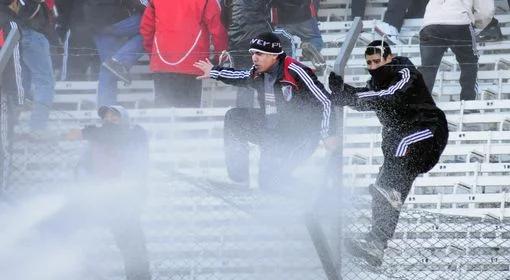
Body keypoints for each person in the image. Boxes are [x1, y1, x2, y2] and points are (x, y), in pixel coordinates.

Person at [328, 40, 448, 266]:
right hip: (402, 143)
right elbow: (367, 98)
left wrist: (346, 95)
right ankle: (376, 245)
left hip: (427, 130)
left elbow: (389, 96)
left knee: (396, 156)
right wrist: (343, 91)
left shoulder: (405, 71)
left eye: (377, 61)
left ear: (389, 59)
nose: (373, 66)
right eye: (369, 63)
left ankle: (394, 191)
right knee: (382, 191)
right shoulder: (374, 84)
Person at [194, 32, 336, 190]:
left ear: (273, 55)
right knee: (234, 118)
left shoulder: (296, 71)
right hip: (272, 131)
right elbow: (239, 76)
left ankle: (310, 192)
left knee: (271, 184)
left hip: (298, 136)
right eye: (253, 53)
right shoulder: (257, 72)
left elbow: (325, 101)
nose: (254, 58)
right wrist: (214, 71)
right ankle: (239, 179)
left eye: (259, 53)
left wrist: (328, 133)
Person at [65, 105, 150, 280]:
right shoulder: (96, 141)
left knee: (134, 249)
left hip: (125, 203)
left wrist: (85, 133)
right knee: (79, 243)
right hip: (97, 201)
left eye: (114, 118)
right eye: (106, 119)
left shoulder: (135, 133)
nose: (109, 122)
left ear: (124, 120)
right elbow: (82, 168)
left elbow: (117, 136)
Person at [140, 0, 227, 108]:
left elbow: (146, 29)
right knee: (189, 115)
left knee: (162, 113)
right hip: (192, 63)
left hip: (162, 62)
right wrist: (220, 58)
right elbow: (217, 30)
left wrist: (153, 55)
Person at [419, 0, 494, 101]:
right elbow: (486, 11)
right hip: (460, 21)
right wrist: (479, 25)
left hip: (430, 22)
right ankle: (468, 103)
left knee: (428, 68)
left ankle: (419, 106)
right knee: (469, 63)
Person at [83, 0, 146, 107]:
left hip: (95, 22)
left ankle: (107, 112)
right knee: (152, 25)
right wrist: (148, 8)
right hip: (114, 18)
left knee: (108, 68)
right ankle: (120, 60)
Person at [18, 0, 58, 137]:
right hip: (31, 33)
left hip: (17, 35)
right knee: (45, 82)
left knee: (22, 82)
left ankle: (11, 123)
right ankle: (38, 128)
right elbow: (25, 11)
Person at [0, 0, 24, 191]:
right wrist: (18, 98)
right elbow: (13, 62)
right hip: (2, 94)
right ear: (14, 3)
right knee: (3, 148)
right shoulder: (9, 24)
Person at [271, 0, 326, 71]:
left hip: (282, 18)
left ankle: (286, 69)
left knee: (284, 45)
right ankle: (309, 46)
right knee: (315, 38)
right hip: (305, 16)